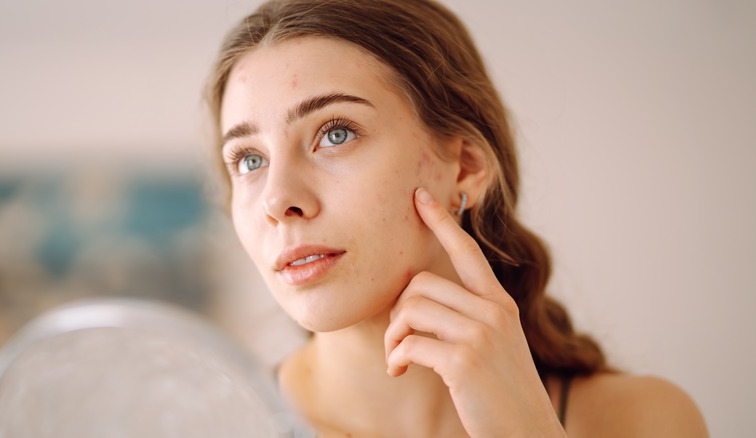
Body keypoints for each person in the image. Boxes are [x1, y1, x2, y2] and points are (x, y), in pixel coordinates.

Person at [205, 0, 708, 436]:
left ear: (464, 167)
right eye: (249, 160)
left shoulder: (642, 421)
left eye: (336, 133)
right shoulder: (209, 428)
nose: (277, 200)